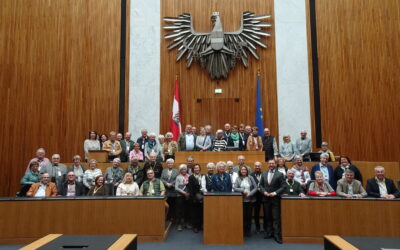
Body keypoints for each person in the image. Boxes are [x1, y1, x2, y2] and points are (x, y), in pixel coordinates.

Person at [259, 159, 285, 244]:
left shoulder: (280, 174)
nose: (271, 165)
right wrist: (264, 192)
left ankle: (277, 235)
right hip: (266, 199)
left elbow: (283, 186)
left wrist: (275, 193)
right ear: (268, 164)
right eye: (269, 163)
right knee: (267, 217)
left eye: (272, 163)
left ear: (275, 164)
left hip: (275, 199)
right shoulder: (264, 173)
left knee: (276, 217)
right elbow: (261, 185)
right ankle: (269, 233)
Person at [234, 166, 257, 237]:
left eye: (245, 170)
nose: (243, 171)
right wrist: (243, 191)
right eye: (242, 170)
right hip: (241, 201)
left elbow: (256, 187)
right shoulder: (238, 178)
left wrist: (250, 193)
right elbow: (234, 188)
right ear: (240, 171)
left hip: (250, 200)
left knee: (249, 216)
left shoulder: (250, 177)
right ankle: (242, 231)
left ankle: (248, 231)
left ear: (247, 171)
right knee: (242, 216)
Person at [187, 164, 204, 233]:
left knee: (201, 212)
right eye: (195, 168)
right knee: (194, 213)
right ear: (193, 169)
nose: (196, 169)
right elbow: (190, 189)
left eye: (198, 168)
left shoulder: (203, 176)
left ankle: (200, 226)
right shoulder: (191, 177)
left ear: (200, 169)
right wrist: (193, 198)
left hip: (202, 197)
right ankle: (195, 227)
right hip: (194, 198)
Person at [175, 164, 191, 231]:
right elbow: (176, 187)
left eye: (185, 169)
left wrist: (188, 193)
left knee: (187, 209)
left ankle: (186, 223)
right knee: (180, 210)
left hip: (188, 195)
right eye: (182, 169)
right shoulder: (178, 177)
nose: (184, 170)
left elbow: (191, 186)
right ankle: (179, 224)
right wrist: (184, 193)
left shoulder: (189, 176)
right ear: (180, 170)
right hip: (180, 196)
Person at [250, 161, 264, 233]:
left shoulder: (265, 174)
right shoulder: (251, 175)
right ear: (254, 167)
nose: (257, 167)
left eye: (259, 166)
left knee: (266, 212)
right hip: (255, 196)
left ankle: (266, 227)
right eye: (256, 166)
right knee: (256, 212)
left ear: (261, 167)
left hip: (264, 196)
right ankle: (257, 227)